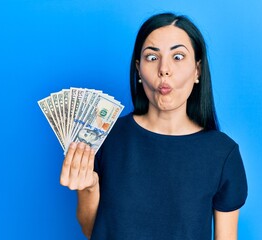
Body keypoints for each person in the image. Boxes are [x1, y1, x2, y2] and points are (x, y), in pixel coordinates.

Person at [60, 12, 248, 240]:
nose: (164, 69)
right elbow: (95, 232)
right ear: (138, 70)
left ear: (197, 70)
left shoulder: (223, 154)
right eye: (152, 57)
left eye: (178, 57)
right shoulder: (104, 136)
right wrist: (88, 188)